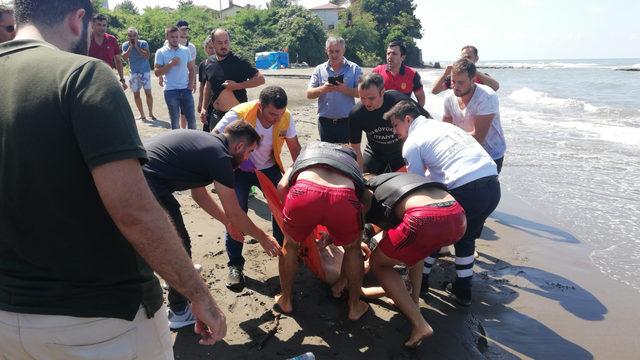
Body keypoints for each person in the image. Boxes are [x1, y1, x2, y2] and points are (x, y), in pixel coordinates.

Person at [0, 1, 225, 358]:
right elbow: (133, 210)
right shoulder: (82, 75)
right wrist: (198, 294)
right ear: (78, 20)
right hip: (100, 318)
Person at [142, 121, 281, 329]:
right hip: (145, 183)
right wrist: (263, 237)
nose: (248, 158)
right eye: (249, 152)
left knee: (173, 243)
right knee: (178, 245)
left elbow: (200, 196)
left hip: (142, 174)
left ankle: (174, 277)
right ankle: (179, 311)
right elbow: (235, 211)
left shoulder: (209, 146)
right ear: (239, 146)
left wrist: (227, 222)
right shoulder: (220, 157)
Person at [384, 100, 501, 307]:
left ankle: (423, 282)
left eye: (396, 125)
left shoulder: (413, 142)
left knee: (432, 235)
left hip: (467, 187)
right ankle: (463, 290)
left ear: (408, 119)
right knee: (466, 238)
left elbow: (416, 185)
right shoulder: (442, 127)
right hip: (492, 185)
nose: (394, 131)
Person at [362, 172, 466, 347]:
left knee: (379, 264)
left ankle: (420, 325)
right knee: (417, 250)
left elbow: (358, 229)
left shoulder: (369, 190)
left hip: (424, 218)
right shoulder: (397, 180)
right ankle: (414, 301)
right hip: (457, 215)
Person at [214, 86, 301, 290]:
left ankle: (282, 251)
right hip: (239, 171)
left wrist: (298, 177)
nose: (275, 118)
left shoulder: (285, 117)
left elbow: (295, 148)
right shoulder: (239, 114)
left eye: (279, 114)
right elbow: (214, 138)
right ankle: (235, 265)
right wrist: (235, 161)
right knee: (237, 214)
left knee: (281, 210)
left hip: (269, 168)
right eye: (271, 114)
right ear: (260, 106)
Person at [275, 142, 369, 320]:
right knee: (353, 249)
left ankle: (285, 300)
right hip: (343, 197)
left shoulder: (307, 154)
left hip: (304, 193)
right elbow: (362, 199)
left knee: (290, 246)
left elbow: (281, 186)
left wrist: (293, 218)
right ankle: (354, 307)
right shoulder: (352, 163)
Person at [349, 72, 430, 174]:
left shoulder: (398, 101)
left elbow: (427, 121)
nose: (366, 103)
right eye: (362, 98)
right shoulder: (356, 114)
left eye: (371, 98)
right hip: (375, 152)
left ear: (382, 92)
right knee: (365, 179)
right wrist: (359, 175)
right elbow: (355, 149)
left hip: (401, 150)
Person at [444, 58, 506, 172]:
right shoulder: (449, 98)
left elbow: (478, 137)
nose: (456, 86)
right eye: (453, 81)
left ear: (473, 80)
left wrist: (451, 142)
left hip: (490, 155)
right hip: (464, 151)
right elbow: (444, 128)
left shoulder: (487, 97)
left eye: (460, 82)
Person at [200, 28, 265, 132]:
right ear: (213, 43)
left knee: (235, 147)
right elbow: (208, 86)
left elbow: (260, 79)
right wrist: (204, 108)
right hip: (215, 115)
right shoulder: (209, 62)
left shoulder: (239, 61)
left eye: (226, 42)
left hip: (236, 117)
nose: (223, 46)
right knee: (215, 145)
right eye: (220, 43)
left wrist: (237, 86)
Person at [306, 37, 362, 143]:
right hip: (325, 122)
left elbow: (362, 93)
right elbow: (309, 94)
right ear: (326, 51)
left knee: (346, 155)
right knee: (327, 157)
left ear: (343, 51)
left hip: (347, 121)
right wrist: (324, 89)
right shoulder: (319, 69)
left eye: (337, 51)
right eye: (331, 51)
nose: (334, 54)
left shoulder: (355, 69)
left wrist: (345, 89)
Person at [154, 26, 196, 130]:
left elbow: (191, 69)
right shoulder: (161, 52)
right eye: (172, 37)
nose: (175, 39)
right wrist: (170, 64)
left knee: (192, 120)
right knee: (175, 121)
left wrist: (190, 85)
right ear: (167, 37)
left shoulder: (185, 50)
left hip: (185, 89)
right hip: (170, 90)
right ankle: (177, 145)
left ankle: (193, 143)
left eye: (177, 36)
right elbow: (157, 72)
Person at [372, 40, 425, 107]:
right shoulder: (377, 72)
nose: (390, 57)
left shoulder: (413, 75)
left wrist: (412, 116)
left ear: (402, 57)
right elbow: (367, 95)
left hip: (401, 115)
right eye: (388, 53)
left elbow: (421, 100)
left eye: (394, 54)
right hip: (379, 115)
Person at [431, 45, 500, 95]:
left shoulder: (482, 77)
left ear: (476, 59)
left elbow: (495, 87)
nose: (466, 59)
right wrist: (445, 74)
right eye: (463, 57)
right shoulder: (454, 78)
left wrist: (475, 72)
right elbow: (434, 91)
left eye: (469, 57)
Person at [122, 27, 156, 120]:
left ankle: (150, 113)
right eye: (130, 36)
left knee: (148, 93)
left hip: (145, 72)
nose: (132, 37)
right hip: (133, 73)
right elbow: (124, 58)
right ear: (127, 37)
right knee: (136, 95)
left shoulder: (143, 43)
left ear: (138, 36)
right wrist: (130, 47)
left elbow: (146, 56)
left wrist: (137, 47)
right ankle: (142, 114)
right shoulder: (125, 45)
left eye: (134, 35)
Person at [88, 13, 127, 90]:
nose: (102, 28)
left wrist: (122, 79)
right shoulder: (86, 39)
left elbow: (118, 61)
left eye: (104, 25)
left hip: (108, 78)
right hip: (90, 79)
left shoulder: (112, 39)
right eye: (99, 24)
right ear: (92, 25)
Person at [197, 36, 216, 132]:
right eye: (210, 48)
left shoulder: (223, 64)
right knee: (207, 127)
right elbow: (202, 85)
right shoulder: (203, 65)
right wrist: (200, 103)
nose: (213, 50)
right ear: (205, 49)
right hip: (207, 102)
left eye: (214, 47)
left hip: (218, 102)